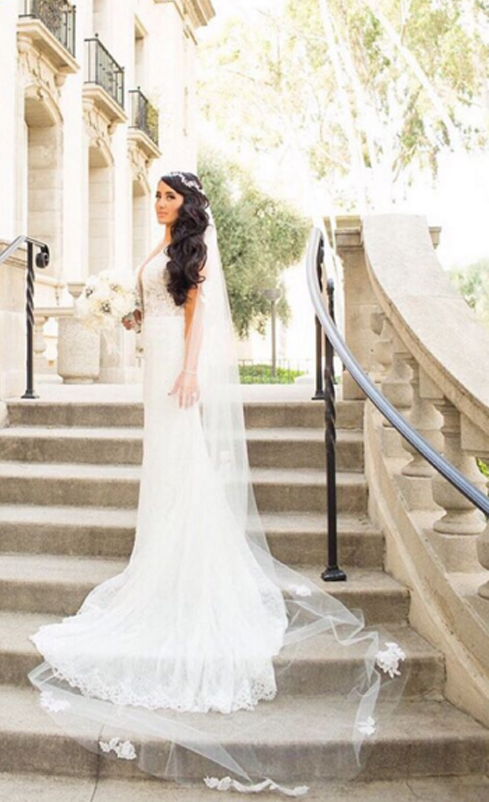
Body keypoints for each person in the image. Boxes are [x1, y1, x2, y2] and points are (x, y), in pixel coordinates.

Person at [27, 170, 408, 796]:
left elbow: (196, 317)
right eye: (155, 196)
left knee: (185, 462)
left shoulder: (195, 250)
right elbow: (153, 304)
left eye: (168, 197)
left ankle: (188, 564)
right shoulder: (162, 246)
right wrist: (123, 314)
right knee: (166, 463)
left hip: (176, 363)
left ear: (188, 204)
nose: (158, 204)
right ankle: (163, 550)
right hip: (156, 356)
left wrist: (187, 372)